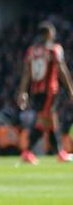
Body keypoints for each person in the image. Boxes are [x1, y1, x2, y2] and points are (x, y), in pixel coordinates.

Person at [18, 21, 73, 164]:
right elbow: (62, 70)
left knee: (51, 122)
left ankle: (60, 153)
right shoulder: (54, 50)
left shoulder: (32, 51)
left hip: (36, 91)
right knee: (43, 122)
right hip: (49, 91)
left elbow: (26, 73)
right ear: (49, 34)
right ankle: (27, 151)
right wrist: (70, 90)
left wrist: (22, 91)